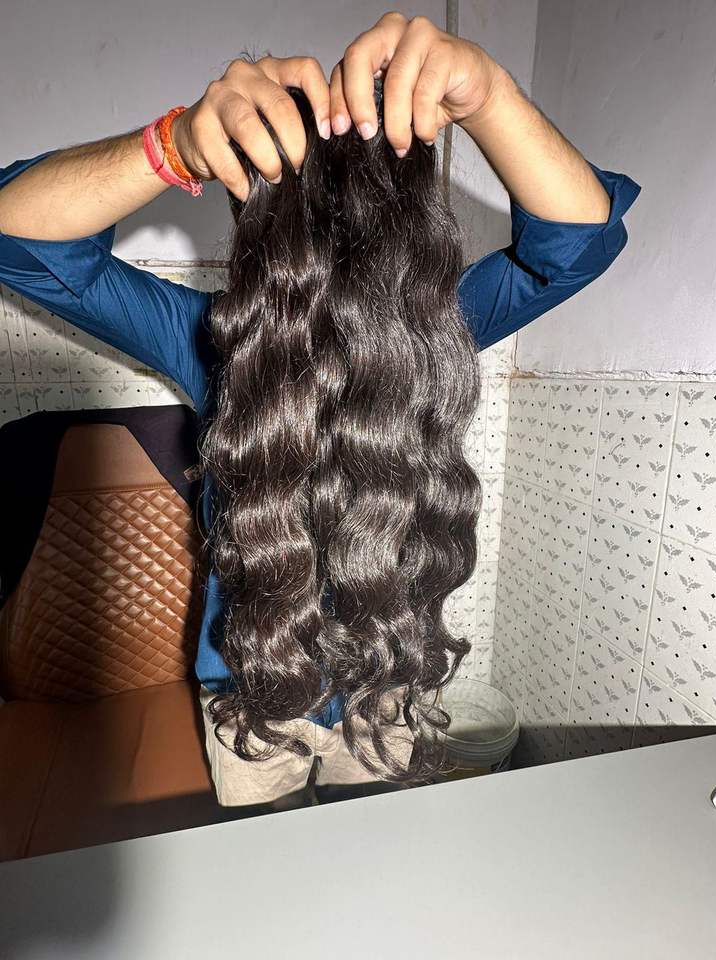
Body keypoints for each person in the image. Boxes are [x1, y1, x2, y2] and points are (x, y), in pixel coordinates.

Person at [0, 11, 641, 810]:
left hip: (386, 684)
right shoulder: (214, 343)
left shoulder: (433, 330)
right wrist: (174, 145)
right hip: (249, 691)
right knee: (264, 862)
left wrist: (488, 96)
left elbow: (576, 243)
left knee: (369, 856)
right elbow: (19, 242)